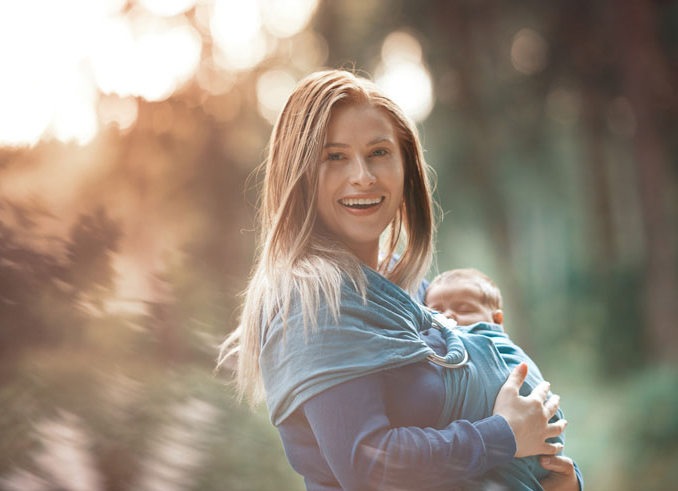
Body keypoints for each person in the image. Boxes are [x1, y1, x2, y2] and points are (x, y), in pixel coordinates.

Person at [219, 69, 581, 490]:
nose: (363, 176)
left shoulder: (409, 289)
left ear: (406, 165)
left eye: (378, 152)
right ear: (298, 174)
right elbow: (369, 467)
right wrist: (503, 436)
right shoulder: (314, 303)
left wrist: (562, 480)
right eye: (334, 156)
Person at [423, 268, 584, 488]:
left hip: (532, 450)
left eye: (464, 308)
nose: (448, 316)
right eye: (436, 310)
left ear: (497, 319)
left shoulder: (497, 346)